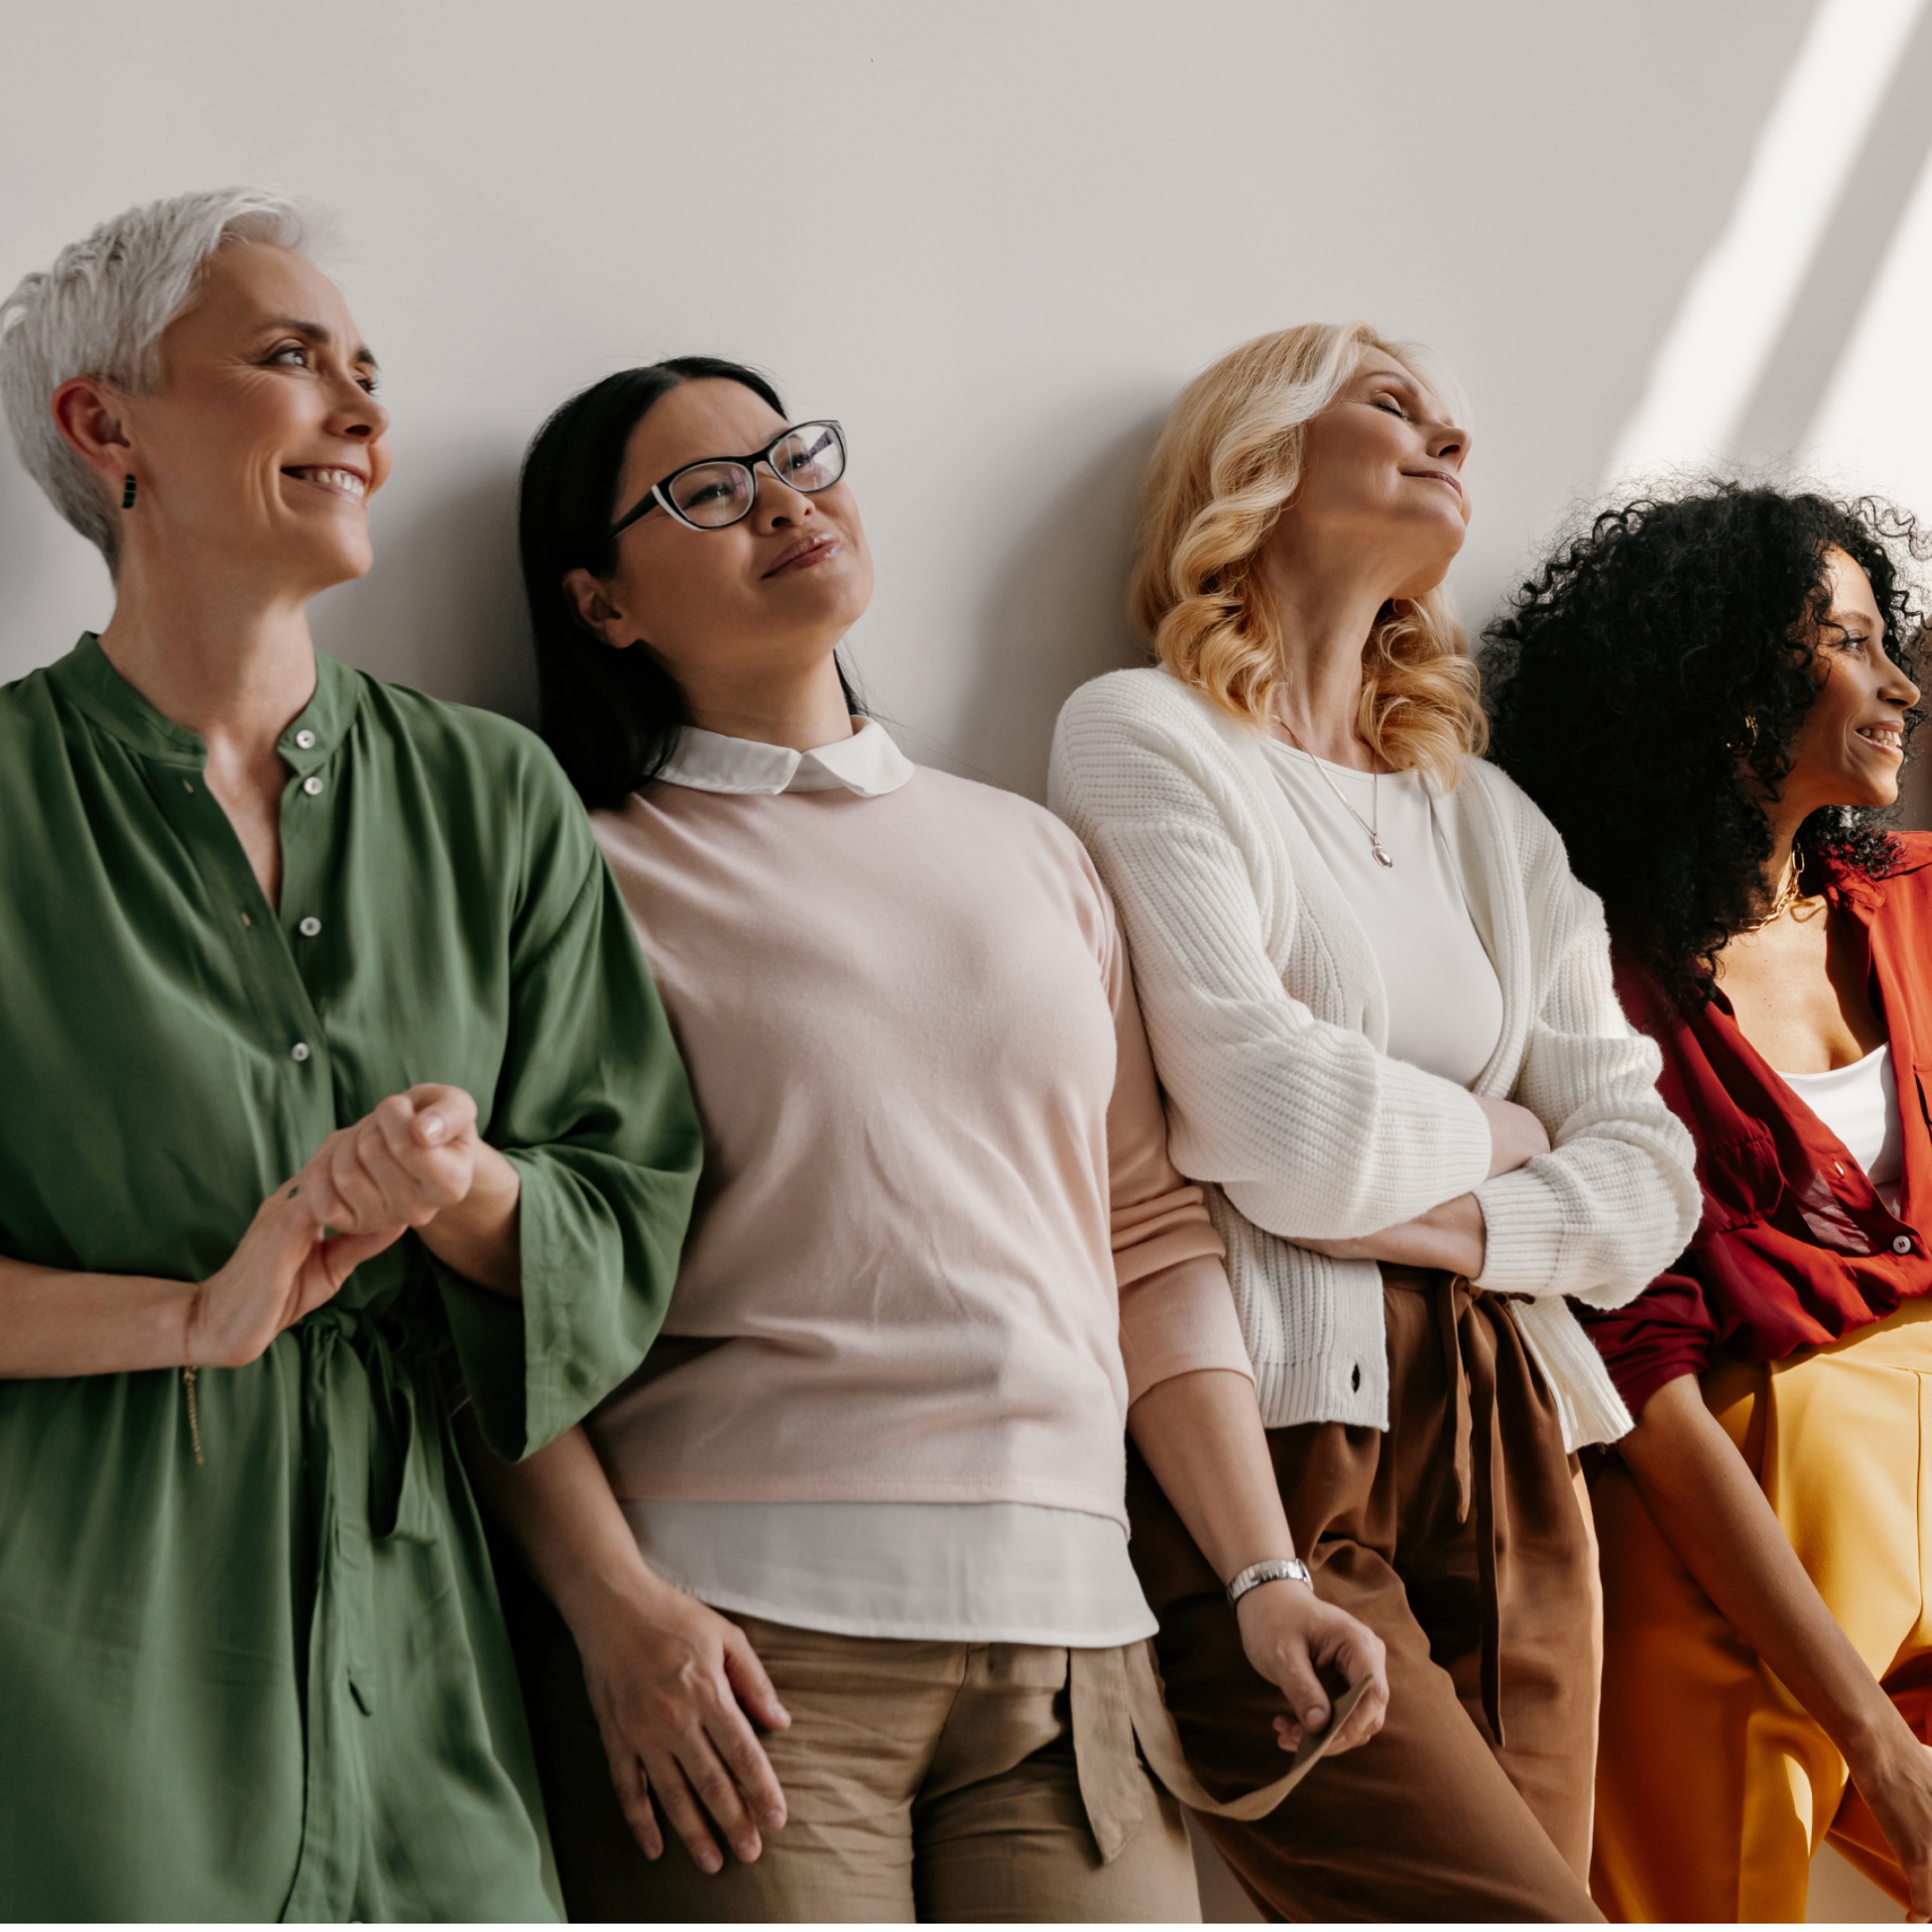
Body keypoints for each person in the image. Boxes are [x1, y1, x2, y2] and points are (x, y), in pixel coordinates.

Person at [463, 354, 1391, 1924]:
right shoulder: (581, 873)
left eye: (792, 453)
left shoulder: (1031, 851)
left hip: (1076, 1646)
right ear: (602, 605)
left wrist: (1262, 1576)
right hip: (739, 1652)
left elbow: (1146, 1236)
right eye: (703, 490)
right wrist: (614, 1611)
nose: (779, 496)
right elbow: (502, 1286)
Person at [0, 190, 701, 1920]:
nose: (364, 412)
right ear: (107, 426)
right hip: (80, 1624)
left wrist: (460, 1192)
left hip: (425, 1622)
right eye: (290, 358)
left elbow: (629, 1193)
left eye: (368, 368)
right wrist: (186, 1314)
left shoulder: (490, 795)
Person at [1048, 321, 1701, 1920]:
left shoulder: (1484, 816)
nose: (1447, 440)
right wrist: (1498, 1136)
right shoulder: (1142, 736)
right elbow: (1264, 1112)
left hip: (1516, 1440)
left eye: (1458, 423)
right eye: (1391, 403)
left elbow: (1650, 1177)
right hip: (1280, 1449)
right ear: (1259, 458)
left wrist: (1431, 1207)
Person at [1484, 482, 1932, 1922]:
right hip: (1743, 1522)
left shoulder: (1915, 902)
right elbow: (1649, 1381)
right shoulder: (1601, 988)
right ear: (1729, 687)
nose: (1900, 681)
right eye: (1852, 643)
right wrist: (1864, 1725)